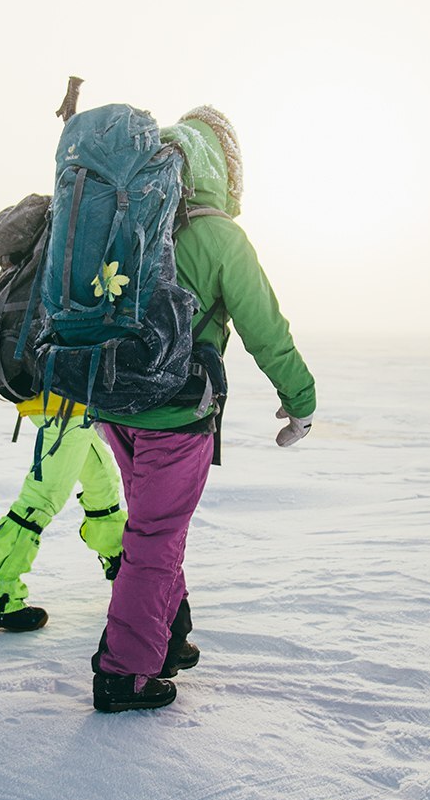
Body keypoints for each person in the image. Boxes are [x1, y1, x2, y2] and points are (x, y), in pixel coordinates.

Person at [90, 105, 317, 712]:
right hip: (176, 412)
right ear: (221, 165)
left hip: (114, 402)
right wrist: (302, 402)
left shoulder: (121, 219)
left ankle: (166, 639)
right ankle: (124, 673)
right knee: (155, 540)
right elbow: (266, 330)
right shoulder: (220, 237)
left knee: (152, 530)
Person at [0, 393, 128, 633]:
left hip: (71, 403)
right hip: (64, 405)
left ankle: (124, 573)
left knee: (102, 482)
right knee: (42, 498)